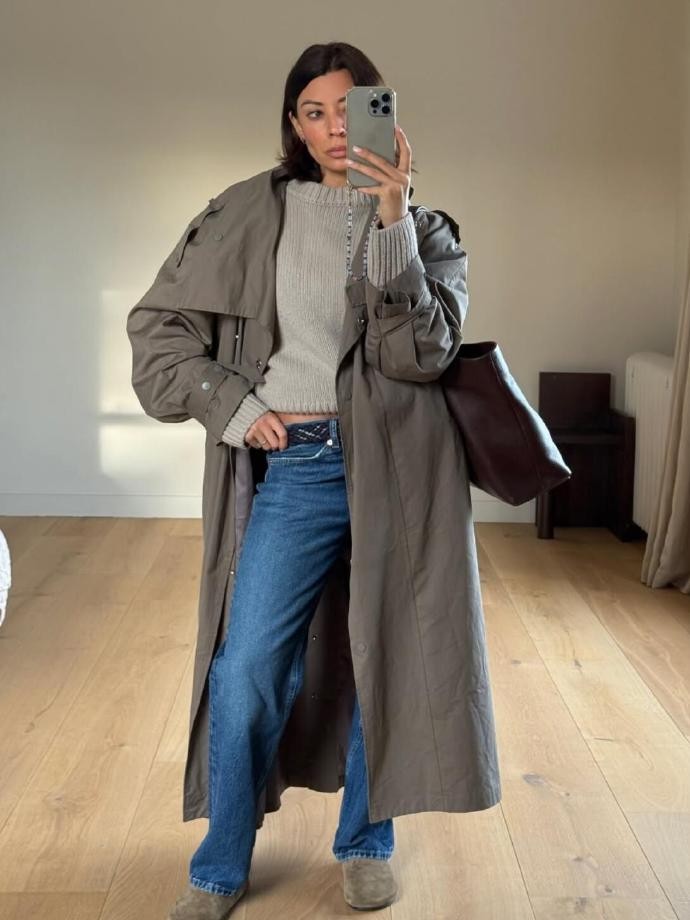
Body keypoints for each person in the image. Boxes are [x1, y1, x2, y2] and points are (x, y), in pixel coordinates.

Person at [128, 39, 500, 920]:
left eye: (352, 108)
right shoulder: (245, 212)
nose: (336, 128)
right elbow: (159, 331)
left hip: (399, 474)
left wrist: (392, 218)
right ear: (293, 125)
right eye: (315, 112)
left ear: (384, 113)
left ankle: (366, 843)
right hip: (295, 468)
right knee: (247, 666)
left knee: (388, 658)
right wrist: (233, 405)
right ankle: (220, 863)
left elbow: (419, 356)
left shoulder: (427, 232)